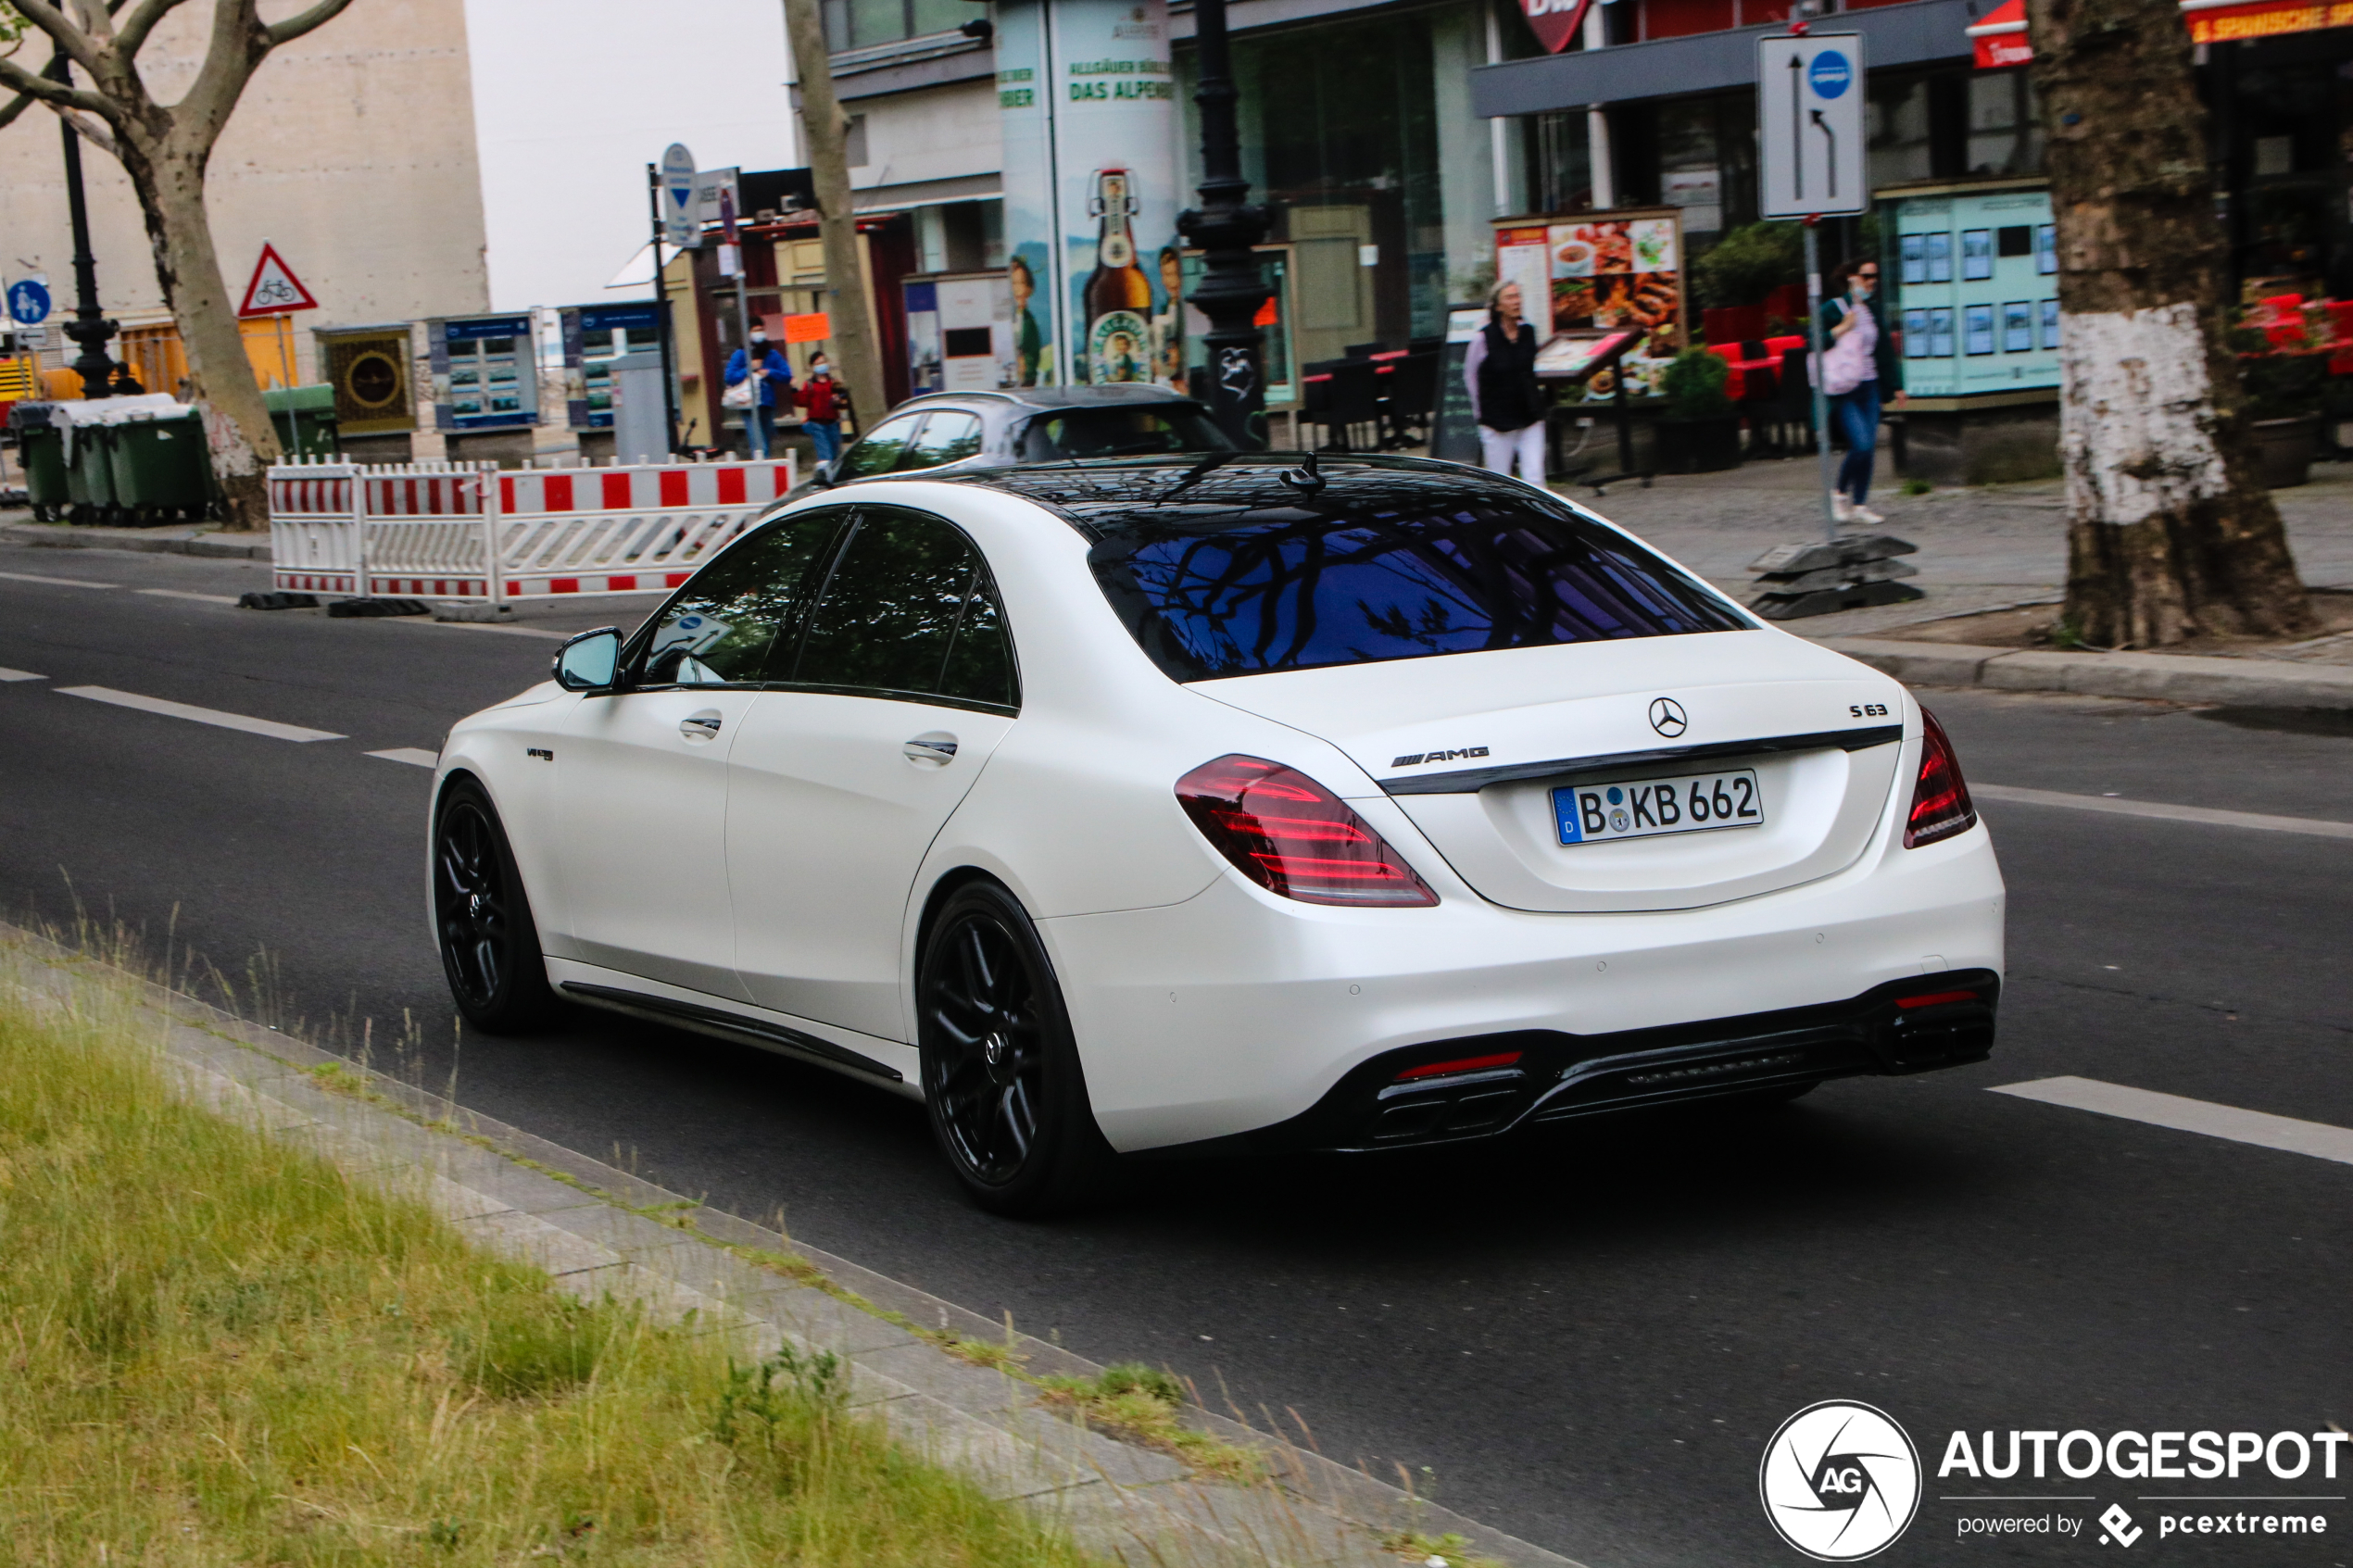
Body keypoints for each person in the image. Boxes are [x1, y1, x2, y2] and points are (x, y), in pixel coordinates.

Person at [1818, 257, 1906, 525]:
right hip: (1845, 387)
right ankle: (1838, 493)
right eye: (1866, 276)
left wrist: (1896, 385)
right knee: (1862, 443)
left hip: (1870, 385)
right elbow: (1813, 341)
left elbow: (1884, 351)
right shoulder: (1834, 308)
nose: (1872, 282)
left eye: (1874, 277)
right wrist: (1841, 328)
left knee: (1868, 449)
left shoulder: (1873, 309)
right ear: (1852, 278)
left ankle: (1859, 504)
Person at [1463, 280, 1547, 483]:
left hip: (1529, 414)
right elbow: (1470, 375)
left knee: (1534, 475)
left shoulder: (1528, 333)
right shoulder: (1483, 339)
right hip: (1497, 419)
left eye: (1518, 296)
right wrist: (1480, 413)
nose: (1516, 301)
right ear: (1498, 306)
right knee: (1500, 479)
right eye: (1510, 297)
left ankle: (1538, 514)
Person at [723, 327, 792, 458]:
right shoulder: (741, 354)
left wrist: (770, 372)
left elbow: (787, 375)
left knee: (766, 440)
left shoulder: (772, 354)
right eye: (755, 330)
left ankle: (765, 467)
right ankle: (763, 469)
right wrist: (749, 369)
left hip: (767, 403)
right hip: (749, 404)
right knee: (760, 445)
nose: (758, 333)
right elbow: (730, 377)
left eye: (761, 329)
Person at [798, 351, 845, 465]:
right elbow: (803, 401)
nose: (822, 365)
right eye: (818, 363)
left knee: (836, 454)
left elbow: (843, 401)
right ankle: (827, 475)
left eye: (823, 362)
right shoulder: (809, 384)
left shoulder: (834, 382)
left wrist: (839, 399)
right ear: (813, 366)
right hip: (817, 422)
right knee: (825, 455)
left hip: (833, 421)